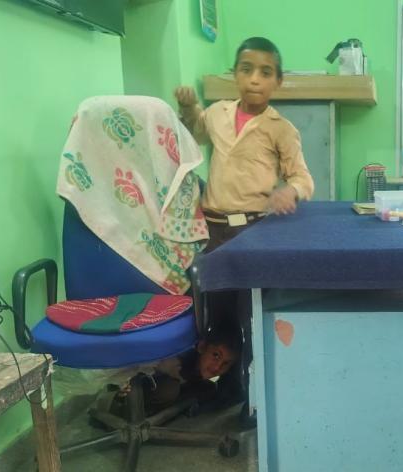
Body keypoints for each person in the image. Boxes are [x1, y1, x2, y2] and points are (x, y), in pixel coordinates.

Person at [174, 37, 315, 422]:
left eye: (265, 73)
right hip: (215, 233)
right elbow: (196, 133)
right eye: (246, 69)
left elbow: (303, 177)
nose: (254, 79)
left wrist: (290, 190)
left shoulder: (280, 129)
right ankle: (226, 389)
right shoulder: (218, 113)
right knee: (216, 318)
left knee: (249, 318)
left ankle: (256, 401)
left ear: (277, 82)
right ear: (235, 74)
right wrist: (188, 107)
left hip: (255, 234)